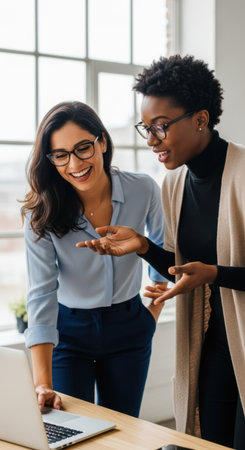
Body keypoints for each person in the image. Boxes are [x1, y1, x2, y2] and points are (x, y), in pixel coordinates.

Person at [77, 56, 245, 449]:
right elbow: (185, 269)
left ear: (201, 119)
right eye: (146, 127)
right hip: (214, 347)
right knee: (209, 440)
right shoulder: (175, 184)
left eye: (160, 126)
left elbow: (208, 271)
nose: (151, 139)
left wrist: (217, 275)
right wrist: (144, 247)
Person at [22, 101, 168, 417]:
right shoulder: (41, 215)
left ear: (101, 142)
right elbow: (41, 295)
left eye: (83, 148)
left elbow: (163, 256)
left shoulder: (143, 188)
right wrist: (41, 383)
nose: (75, 163)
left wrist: (149, 319)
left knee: (124, 429)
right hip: (68, 333)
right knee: (71, 431)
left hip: (129, 326)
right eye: (61, 154)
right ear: (51, 160)